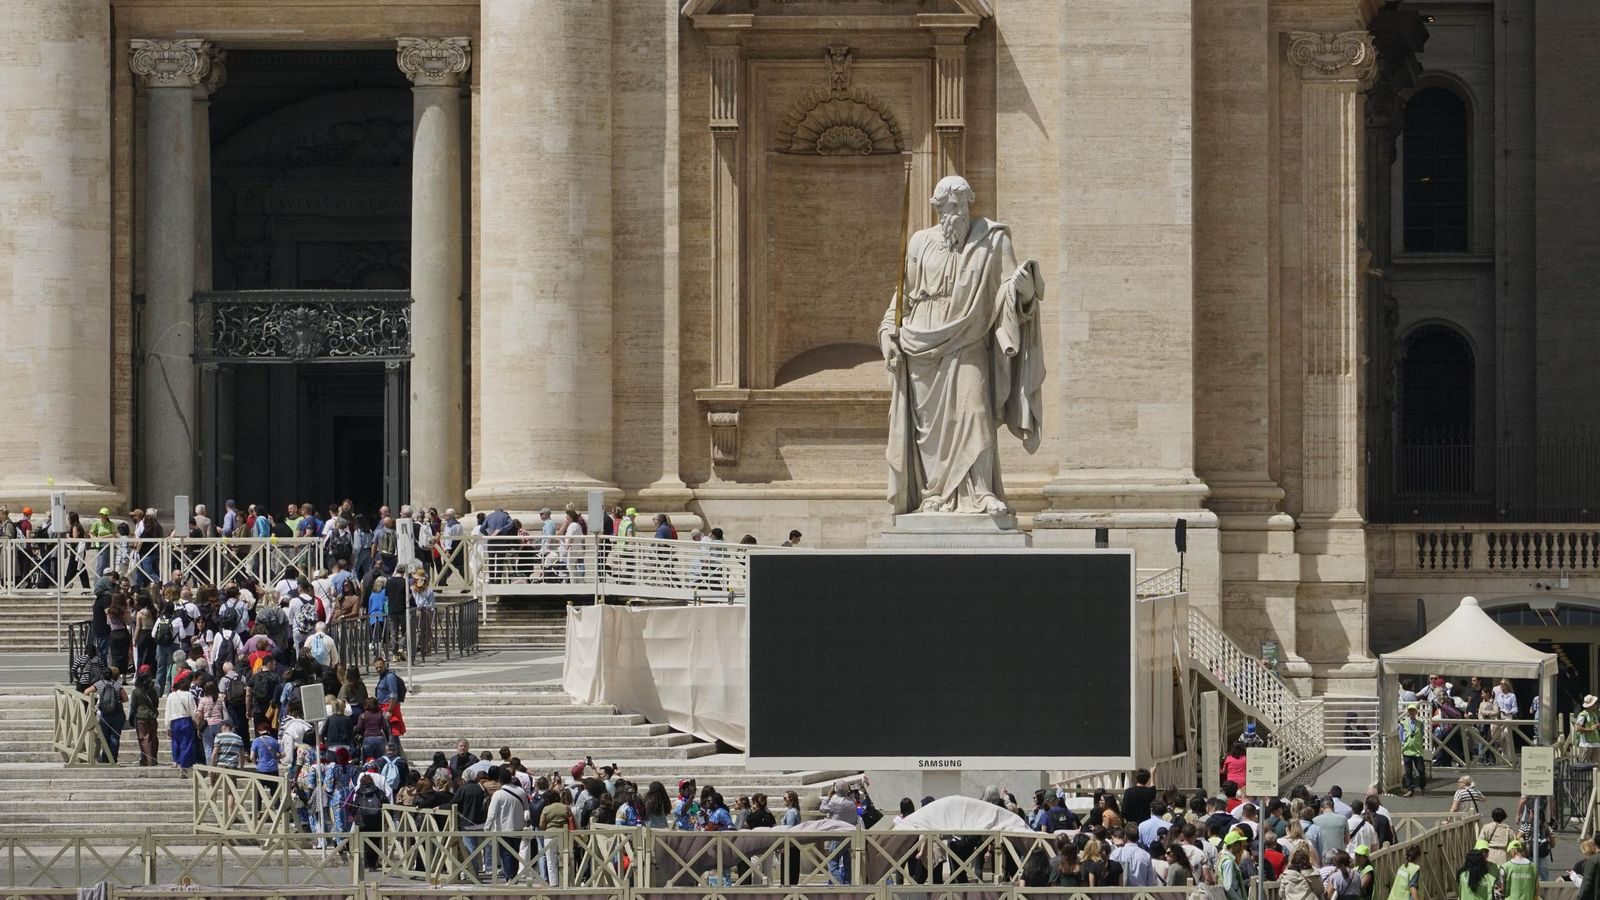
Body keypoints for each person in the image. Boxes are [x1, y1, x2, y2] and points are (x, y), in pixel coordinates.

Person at [89, 666, 126, 764]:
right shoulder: (117, 685)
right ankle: (113, 759)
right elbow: (125, 698)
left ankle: (105, 759)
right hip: (118, 714)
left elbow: (86, 692)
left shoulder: (99, 684)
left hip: (105, 714)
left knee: (105, 737)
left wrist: (96, 698)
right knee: (115, 737)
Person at [165, 674, 200, 774]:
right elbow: (193, 710)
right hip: (185, 720)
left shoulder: (171, 695)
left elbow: (168, 711)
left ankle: (176, 760)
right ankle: (183, 765)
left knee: (176, 742)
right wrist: (196, 722)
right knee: (186, 742)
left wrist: (167, 726)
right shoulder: (188, 695)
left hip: (174, 721)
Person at [1399, 704, 1426, 797]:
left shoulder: (1420, 723)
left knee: (1421, 770)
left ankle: (1422, 787)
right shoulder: (1403, 722)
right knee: (1408, 772)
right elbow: (1401, 734)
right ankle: (1410, 789)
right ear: (1408, 712)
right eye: (1410, 710)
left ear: (1416, 712)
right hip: (1407, 750)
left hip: (1417, 750)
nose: (1411, 712)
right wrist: (1403, 743)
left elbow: (1422, 733)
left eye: (1413, 710)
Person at [1576, 695, 1600, 764]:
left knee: (1596, 765)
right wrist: (1590, 729)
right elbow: (1578, 728)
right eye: (1595, 703)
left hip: (1596, 743)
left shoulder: (1594, 714)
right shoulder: (1583, 715)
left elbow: (1596, 726)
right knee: (1585, 765)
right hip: (1586, 744)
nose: (1597, 705)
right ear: (1591, 705)